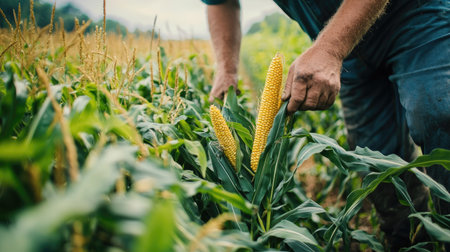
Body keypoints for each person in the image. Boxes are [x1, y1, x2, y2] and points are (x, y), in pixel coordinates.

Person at [201, 0, 450, 250]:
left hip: (416, 16)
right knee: (378, 167)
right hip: (351, 50)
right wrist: (226, 70)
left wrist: (330, 49)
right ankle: (411, 241)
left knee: (438, 114)